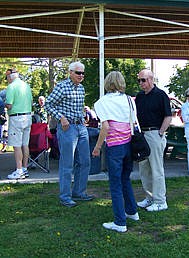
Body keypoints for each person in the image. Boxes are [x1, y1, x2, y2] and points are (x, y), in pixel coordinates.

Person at [92, 71, 139, 233]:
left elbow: (105, 127)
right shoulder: (129, 100)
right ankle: (132, 211)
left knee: (115, 184)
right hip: (129, 144)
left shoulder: (102, 102)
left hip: (114, 147)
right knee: (125, 179)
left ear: (107, 83)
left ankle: (120, 222)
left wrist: (97, 147)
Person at [45, 61, 93, 208]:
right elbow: (48, 104)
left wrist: (84, 115)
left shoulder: (81, 88)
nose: (81, 75)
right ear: (70, 72)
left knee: (85, 161)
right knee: (67, 163)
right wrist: (61, 117)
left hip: (80, 127)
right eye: (78, 73)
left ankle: (79, 192)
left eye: (83, 73)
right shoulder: (62, 86)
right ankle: (65, 196)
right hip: (67, 128)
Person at [135, 69, 172, 212]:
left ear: (151, 79)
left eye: (143, 80)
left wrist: (160, 132)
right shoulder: (139, 96)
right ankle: (149, 197)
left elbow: (168, 116)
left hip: (154, 133)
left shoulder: (161, 95)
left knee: (157, 169)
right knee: (144, 169)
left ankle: (160, 201)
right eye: (139, 80)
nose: (141, 83)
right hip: (142, 135)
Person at [5, 68, 33, 180]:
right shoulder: (26, 86)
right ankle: (25, 169)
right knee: (25, 145)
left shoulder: (11, 87)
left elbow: (9, 105)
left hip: (16, 118)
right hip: (28, 116)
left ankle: (19, 170)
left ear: (10, 77)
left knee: (16, 146)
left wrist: (3, 104)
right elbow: (31, 102)